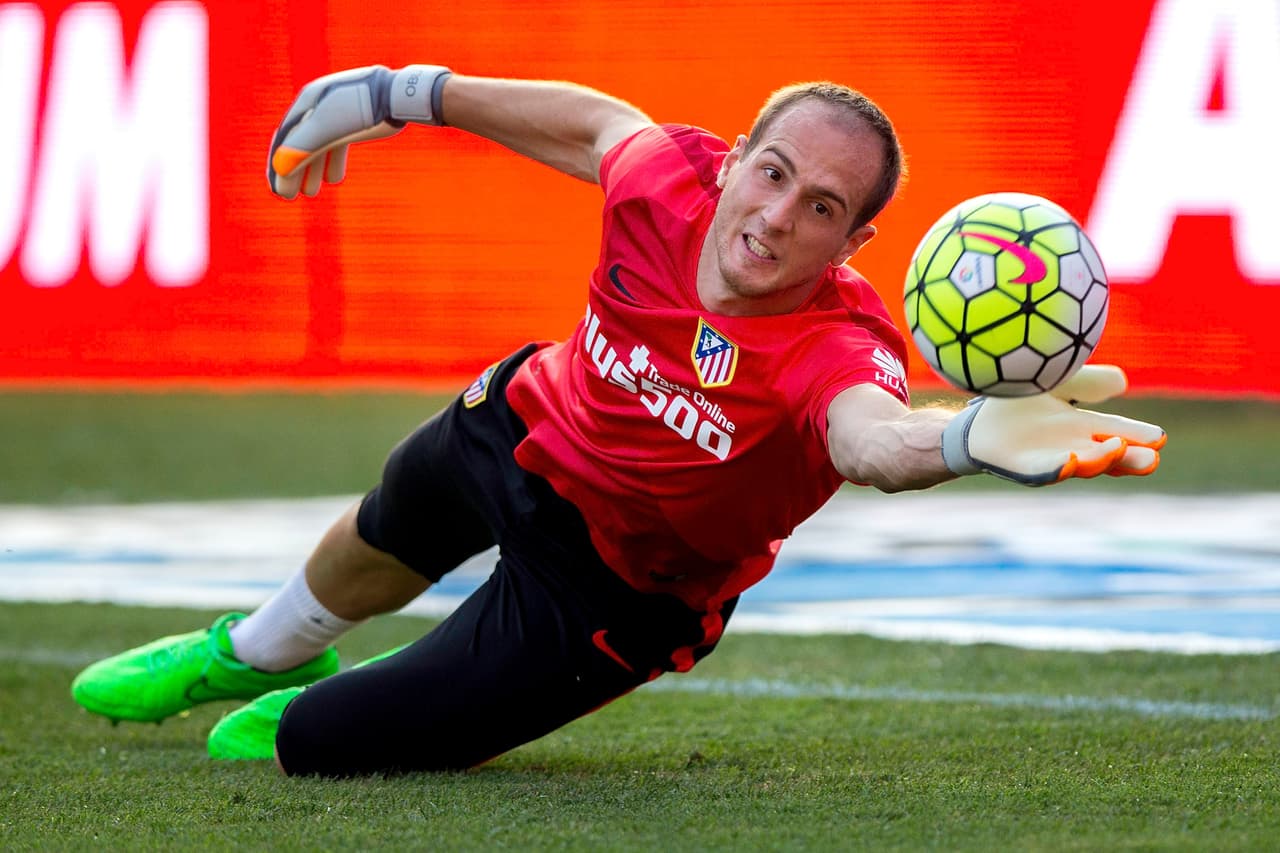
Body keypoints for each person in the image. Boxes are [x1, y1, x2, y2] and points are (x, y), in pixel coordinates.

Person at [70, 65, 1166, 776]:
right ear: (733, 159)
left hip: (614, 588)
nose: (777, 214)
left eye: (821, 209)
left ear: (851, 247)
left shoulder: (838, 344)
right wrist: (398, 94)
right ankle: (255, 649)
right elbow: (599, 125)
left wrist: (966, 439)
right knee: (395, 509)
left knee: (316, 747)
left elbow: (868, 437)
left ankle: (322, 700)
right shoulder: (668, 182)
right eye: (772, 173)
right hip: (534, 423)